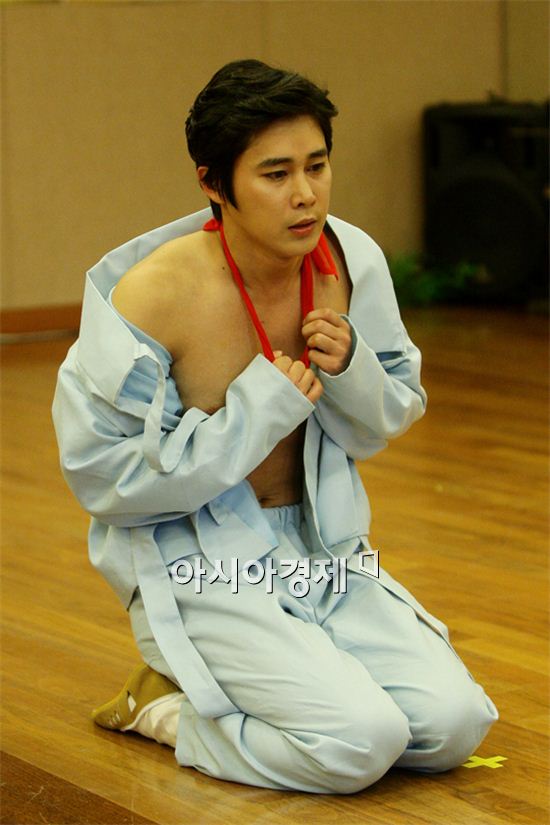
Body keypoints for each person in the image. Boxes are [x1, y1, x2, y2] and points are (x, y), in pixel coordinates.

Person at [52, 59, 497, 794]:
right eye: (275, 173)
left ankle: (293, 682)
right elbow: (105, 481)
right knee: (359, 743)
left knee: (454, 724)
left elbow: (385, 420)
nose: (305, 194)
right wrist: (257, 410)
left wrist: (351, 368)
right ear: (212, 183)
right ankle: (166, 710)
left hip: (324, 550)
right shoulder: (153, 294)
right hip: (195, 562)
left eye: (317, 166)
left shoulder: (348, 262)